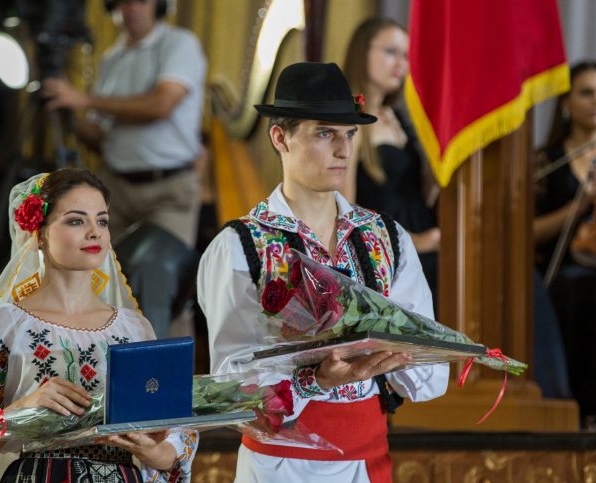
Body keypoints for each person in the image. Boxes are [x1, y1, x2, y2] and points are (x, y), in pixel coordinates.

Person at [198, 62, 449, 483]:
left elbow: (429, 380)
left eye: (349, 134)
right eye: (324, 133)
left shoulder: (386, 236)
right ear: (280, 138)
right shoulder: (240, 246)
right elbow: (230, 390)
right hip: (279, 468)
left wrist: (391, 355)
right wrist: (313, 380)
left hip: (368, 460)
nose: (344, 150)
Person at [0, 169, 197, 483]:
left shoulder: (134, 328)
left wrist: (154, 453)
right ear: (40, 233)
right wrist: (19, 414)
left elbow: (174, 432)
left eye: (101, 220)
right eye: (76, 220)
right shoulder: (4, 323)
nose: (95, 232)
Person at [42, 0, 207, 248]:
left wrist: (85, 99)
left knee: (156, 276)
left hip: (168, 191)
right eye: (124, 2)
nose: (132, 8)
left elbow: (161, 105)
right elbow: (101, 138)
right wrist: (67, 110)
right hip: (114, 189)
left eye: (142, 1)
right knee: (103, 277)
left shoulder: (180, 43)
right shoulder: (110, 58)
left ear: (159, 5)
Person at [342, 18, 440, 311]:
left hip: (425, 237)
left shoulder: (396, 116)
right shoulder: (350, 120)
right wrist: (416, 242)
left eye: (406, 55)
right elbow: (343, 212)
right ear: (363, 53)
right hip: (386, 251)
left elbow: (419, 193)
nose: (401, 63)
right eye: (390, 51)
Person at [535, 61, 596, 424]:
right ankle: (582, 408)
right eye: (586, 92)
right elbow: (527, 233)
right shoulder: (548, 161)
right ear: (566, 103)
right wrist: (578, 208)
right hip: (561, 271)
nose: (595, 100)